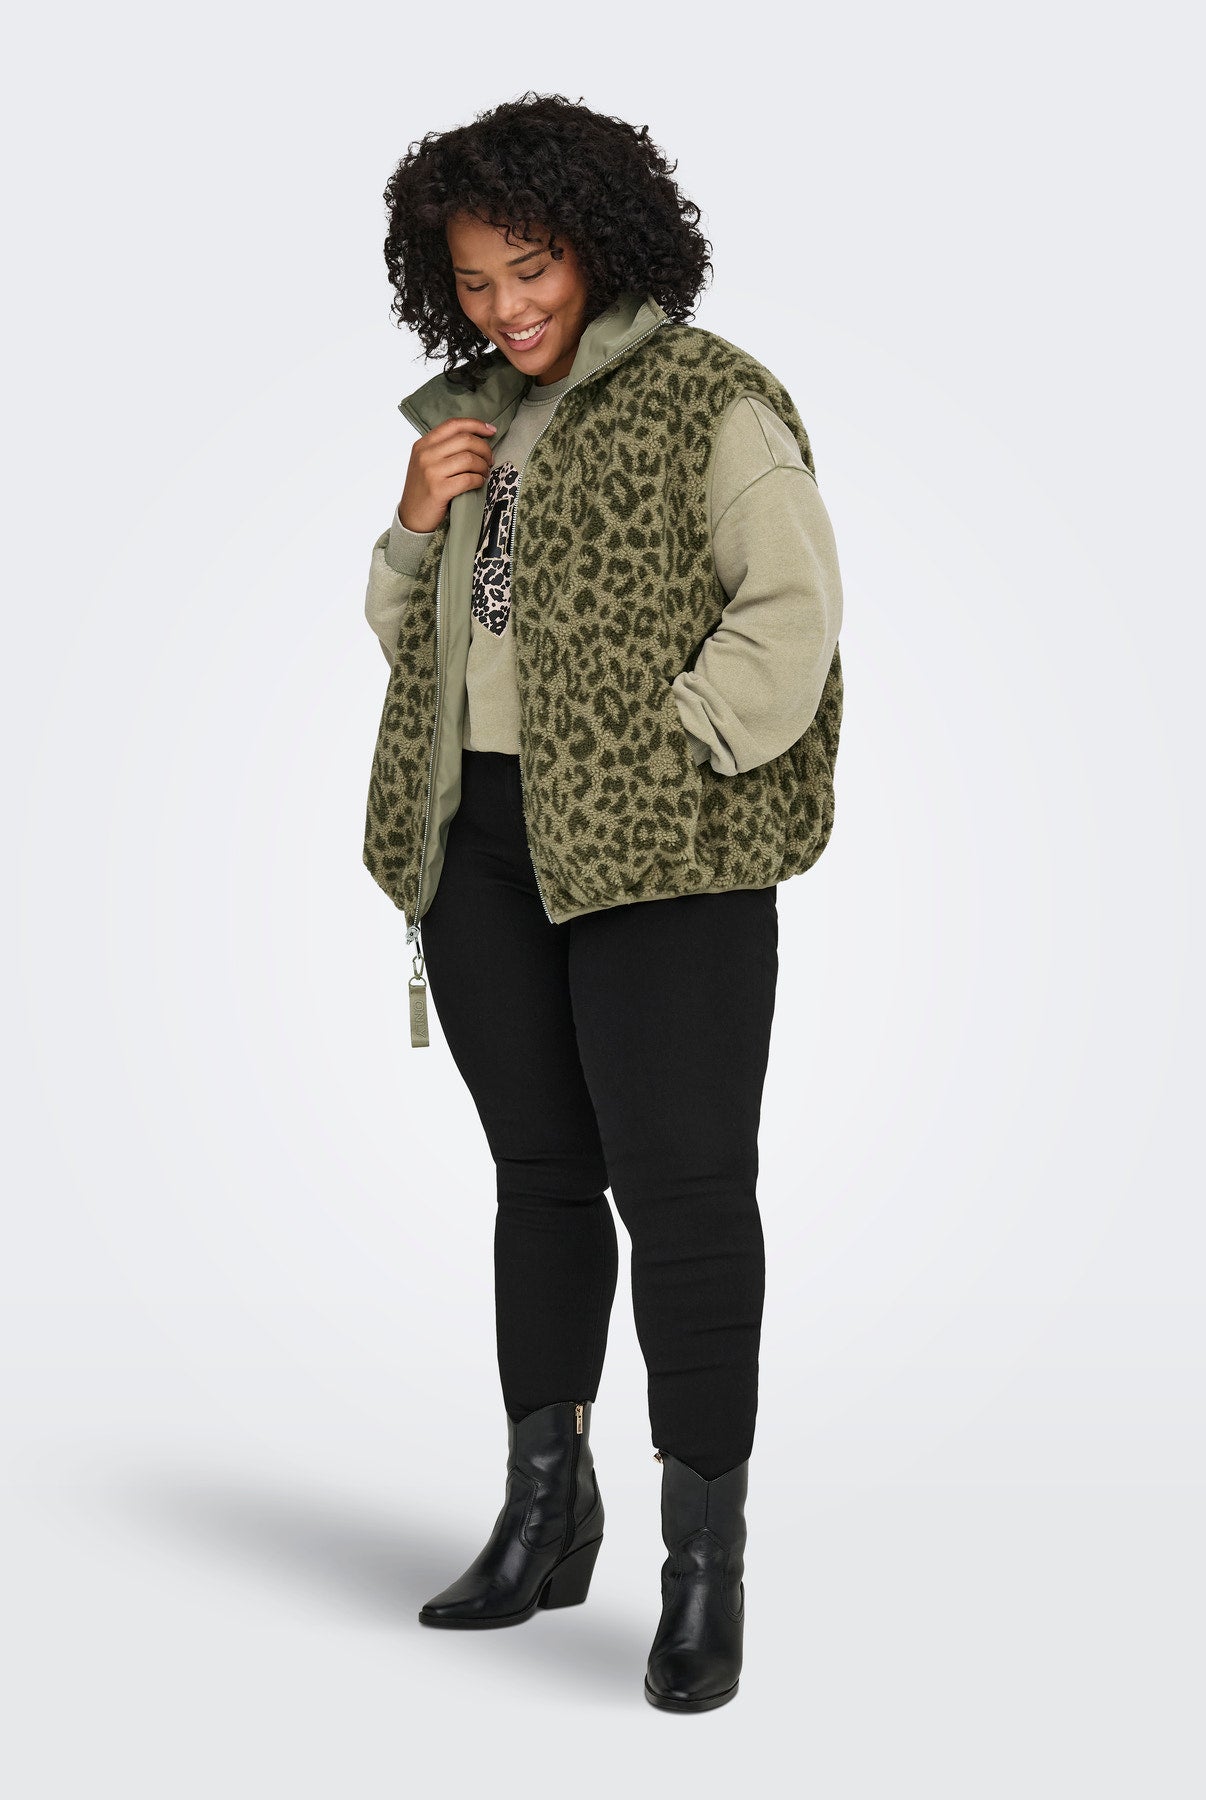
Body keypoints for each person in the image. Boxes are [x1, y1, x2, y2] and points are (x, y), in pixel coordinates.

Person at [362, 91, 844, 1712]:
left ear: (602, 244)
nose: (506, 307)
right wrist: (415, 523)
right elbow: (417, 643)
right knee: (542, 1181)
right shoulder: (475, 417)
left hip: (660, 854)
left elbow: (790, 612)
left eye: (533, 269)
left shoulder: (713, 399)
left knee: (686, 1196)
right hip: (481, 843)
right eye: (475, 281)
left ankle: (702, 1569)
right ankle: (542, 1513)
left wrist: (674, 750)